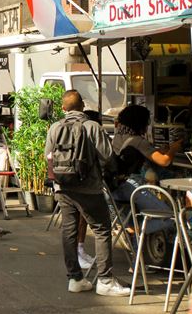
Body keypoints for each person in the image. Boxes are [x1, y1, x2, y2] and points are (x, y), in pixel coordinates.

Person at [44, 90, 130, 296]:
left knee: (69, 230)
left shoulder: (55, 128)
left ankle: (75, 278)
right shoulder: (92, 127)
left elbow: (48, 157)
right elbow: (108, 157)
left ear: (64, 108)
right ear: (82, 106)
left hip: (63, 187)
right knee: (101, 229)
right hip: (89, 187)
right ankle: (105, 280)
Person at [109, 104, 178, 235]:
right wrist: (173, 149)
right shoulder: (138, 141)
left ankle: (134, 233)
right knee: (169, 216)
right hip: (132, 188)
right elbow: (164, 161)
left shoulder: (119, 137)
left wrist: (161, 151)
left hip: (116, 187)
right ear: (141, 122)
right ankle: (134, 231)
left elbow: (145, 153)